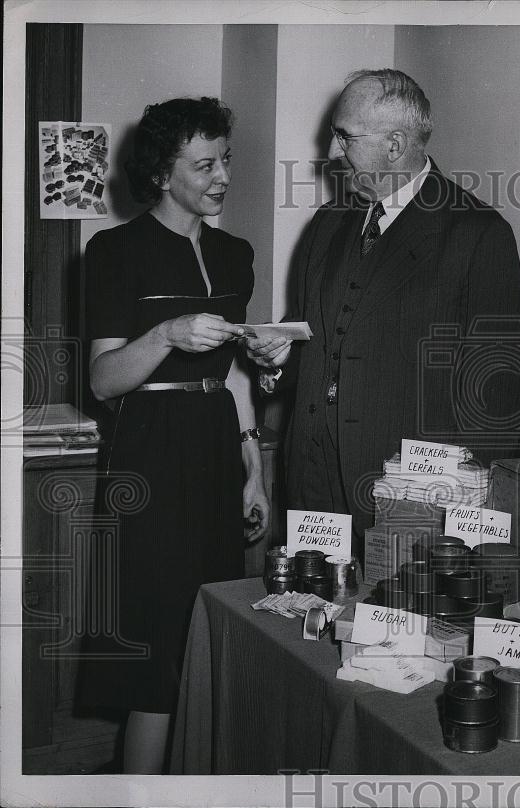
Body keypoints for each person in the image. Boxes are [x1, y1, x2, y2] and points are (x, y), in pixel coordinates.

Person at [248, 69, 520, 538]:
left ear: (395, 145)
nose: (333, 152)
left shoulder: (477, 233)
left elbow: (495, 393)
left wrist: (467, 525)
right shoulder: (328, 223)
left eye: (344, 137)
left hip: (409, 496)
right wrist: (275, 362)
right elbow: (316, 345)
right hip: (312, 485)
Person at [76, 97, 268, 774]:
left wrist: (254, 469)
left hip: (218, 447)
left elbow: (234, 378)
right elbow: (103, 380)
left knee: (211, 635)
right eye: (204, 163)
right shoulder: (114, 250)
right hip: (150, 456)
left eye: (226, 160)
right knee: (157, 651)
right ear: (162, 172)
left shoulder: (235, 254)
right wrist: (165, 333)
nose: (222, 176)